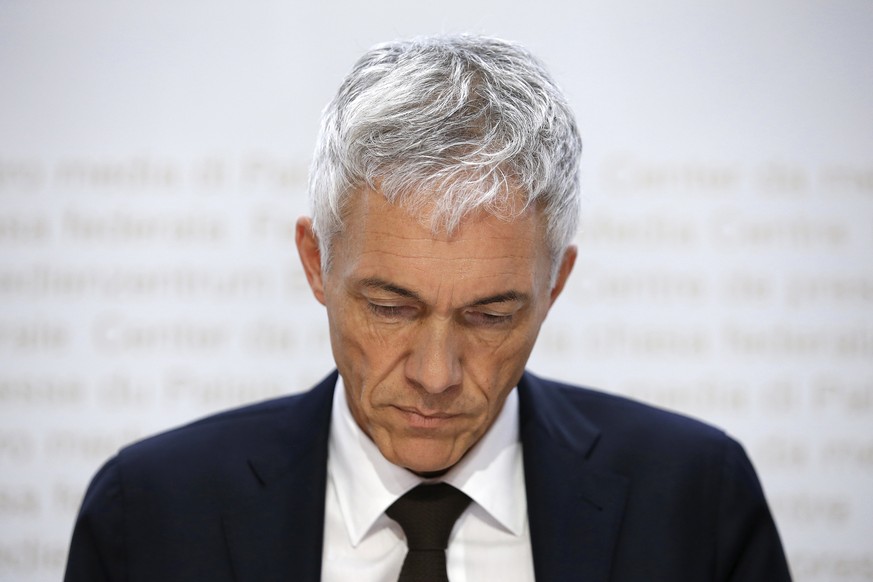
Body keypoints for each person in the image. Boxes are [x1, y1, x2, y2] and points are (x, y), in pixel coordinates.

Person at [64, 34, 792, 581]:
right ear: (316, 262)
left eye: (491, 315)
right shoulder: (150, 513)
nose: (436, 375)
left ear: (556, 285)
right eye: (389, 307)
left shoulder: (697, 500)